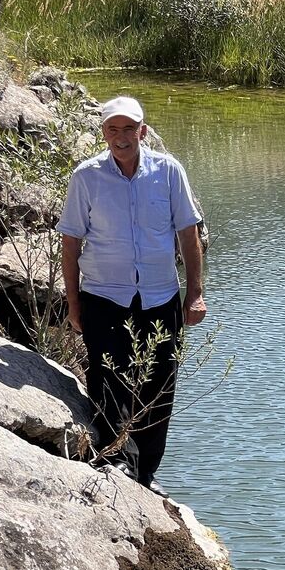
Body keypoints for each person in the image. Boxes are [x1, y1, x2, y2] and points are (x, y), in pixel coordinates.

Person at [57, 95, 206, 495]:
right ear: (103, 133)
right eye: (112, 129)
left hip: (160, 296)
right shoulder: (86, 178)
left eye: (128, 129)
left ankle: (145, 474)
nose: (120, 137)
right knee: (108, 378)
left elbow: (188, 235)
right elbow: (70, 245)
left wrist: (195, 294)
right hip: (104, 296)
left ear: (142, 131)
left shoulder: (169, 172)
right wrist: (73, 305)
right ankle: (117, 460)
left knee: (159, 386)